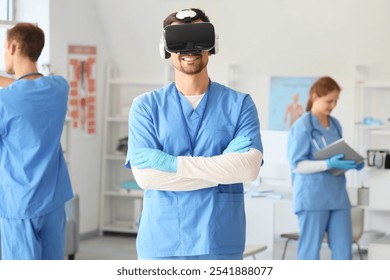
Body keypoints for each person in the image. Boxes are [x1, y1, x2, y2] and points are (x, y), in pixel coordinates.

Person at [125, 8, 263, 260]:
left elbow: (249, 169)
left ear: (212, 46)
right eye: (179, 41)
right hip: (162, 242)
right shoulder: (145, 106)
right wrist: (221, 170)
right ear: (165, 48)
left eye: (199, 38)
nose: (189, 49)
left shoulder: (240, 104)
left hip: (219, 240)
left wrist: (171, 164)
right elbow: (146, 177)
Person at [0, 23, 73, 259]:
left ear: (12, 46)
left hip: (19, 204)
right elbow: (28, 87)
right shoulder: (60, 87)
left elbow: (17, 91)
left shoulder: (4, 100)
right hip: (53, 200)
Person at [287, 76, 364, 260]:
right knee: (310, 253)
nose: (332, 105)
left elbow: (338, 151)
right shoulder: (302, 126)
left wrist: (352, 161)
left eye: (336, 101)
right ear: (315, 96)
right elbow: (297, 165)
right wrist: (328, 164)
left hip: (337, 197)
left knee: (344, 252)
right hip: (312, 198)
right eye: (329, 100)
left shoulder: (335, 124)